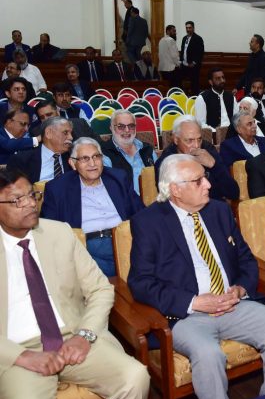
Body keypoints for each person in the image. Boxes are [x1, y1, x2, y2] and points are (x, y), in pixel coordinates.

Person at [0, 166, 149, 399]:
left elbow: (100, 289)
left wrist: (84, 335)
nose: (30, 204)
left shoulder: (58, 232)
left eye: (32, 195)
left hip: (71, 336)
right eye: (17, 200)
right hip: (17, 353)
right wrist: (23, 356)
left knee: (134, 376)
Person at [127, 154, 265, 399]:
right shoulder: (149, 222)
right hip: (187, 315)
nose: (208, 184)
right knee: (208, 354)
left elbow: (246, 259)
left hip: (232, 304)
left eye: (204, 177)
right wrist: (193, 302)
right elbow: (141, 282)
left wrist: (240, 288)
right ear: (175, 189)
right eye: (198, 181)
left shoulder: (219, 211)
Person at [41, 137, 144, 276]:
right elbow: (49, 230)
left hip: (124, 243)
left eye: (96, 156)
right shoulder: (58, 188)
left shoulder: (118, 178)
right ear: (72, 163)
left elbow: (140, 213)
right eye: (85, 158)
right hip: (87, 249)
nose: (92, 163)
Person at [155, 115, 239, 201]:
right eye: (189, 140)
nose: (196, 145)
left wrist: (215, 166)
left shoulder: (208, 151)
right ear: (176, 139)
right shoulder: (166, 162)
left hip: (214, 205)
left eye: (199, 139)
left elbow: (233, 193)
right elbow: (168, 199)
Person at [101, 110, 156, 194]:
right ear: (111, 128)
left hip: (151, 199)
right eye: (121, 126)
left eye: (131, 126)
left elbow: (160, 178)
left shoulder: (147, 149)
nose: (127, 130)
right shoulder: (104, 154)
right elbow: (109, 189)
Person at [7, 116, 73, 183]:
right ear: (48, 133)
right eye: (65, 133)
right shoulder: (22, 160)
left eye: (71, 133)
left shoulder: (73, 157)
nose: (71, 137)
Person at [194, 68, 237, 141]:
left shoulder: (231, 97)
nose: (222, 80)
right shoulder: (202, 98)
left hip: (232, 133)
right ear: (211, 82)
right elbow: (200, 123)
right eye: (218, 78)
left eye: (223, 77)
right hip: (213, 135)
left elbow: (236, 118)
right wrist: (216, 132)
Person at [35, 100, 100, 143]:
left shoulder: (80, 124)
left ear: (58, 112)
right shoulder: (37, 134)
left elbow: (99, 143)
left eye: (49, 114)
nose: (46, 119)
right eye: (42, 117)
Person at [180, 21, 205, 95]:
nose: (188, 29)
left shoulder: (198, 38)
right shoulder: (184, 38)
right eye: (187, 28)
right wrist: (181, 61)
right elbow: (183, 50)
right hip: (184, 65)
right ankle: (184, 96)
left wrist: (194, 63)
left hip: (193, 66)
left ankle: (194, 97)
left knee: (194, 83)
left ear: (193, 28)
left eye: (190, 28)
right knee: (182, 82)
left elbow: (200, 52)